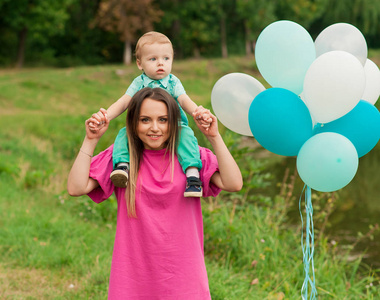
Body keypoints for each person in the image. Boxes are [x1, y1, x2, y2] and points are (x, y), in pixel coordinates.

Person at [68, 87, 242, 299]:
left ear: (174, 122)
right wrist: (91, 140)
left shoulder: (190, 157)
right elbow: (76, 187)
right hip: (133, 275)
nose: (154, 128)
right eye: (145, 120)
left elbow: (233, 183)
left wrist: (213, 136)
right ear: (133, 123)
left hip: (183, 274)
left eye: (163, 120)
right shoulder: (123, 158)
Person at [88, 31, 211, 197]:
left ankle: (192, 176)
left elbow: (183, 100)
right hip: (144, 127)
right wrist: (106, 116)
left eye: (166, 58)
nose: (160, 63)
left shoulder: (173, 82)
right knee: (124, 134)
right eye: (153, 59)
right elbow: (124, 101)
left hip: (173, 125)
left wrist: (197, 112)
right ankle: (122, 166)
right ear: (140, 64)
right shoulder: (139, 82)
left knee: (187, 136)